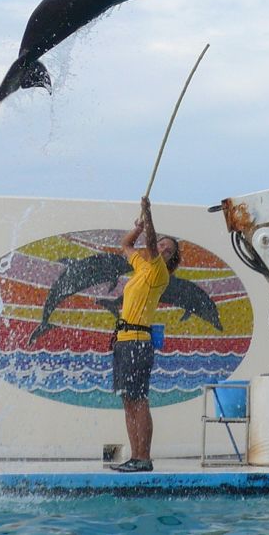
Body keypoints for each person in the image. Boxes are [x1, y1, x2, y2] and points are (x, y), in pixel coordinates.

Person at [110, 196, 181, 473]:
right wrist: (138, 228)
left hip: (139, 343)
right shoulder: (141, 267)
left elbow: (149, 245)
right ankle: (134, 456)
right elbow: (126, 245)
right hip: (124, 342)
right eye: (161, 243)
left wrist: (149, 216)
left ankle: (144, 457)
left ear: (169, 258)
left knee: (139, 400)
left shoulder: (159, 273)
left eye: (166, 248)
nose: (161, 247)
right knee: (128, 401)